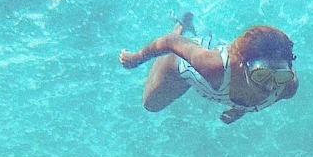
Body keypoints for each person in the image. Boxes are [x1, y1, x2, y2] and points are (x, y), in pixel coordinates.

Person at [119, 14, 298, 124]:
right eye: (261, 75)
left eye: (280, 75)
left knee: (208, 42)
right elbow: (169, 42)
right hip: (182, 64)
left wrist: (240, 109)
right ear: (243, 66)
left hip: (219, 56)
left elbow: (262, 87)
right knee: (151, 105)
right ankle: (183, 28)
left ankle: (201, 31)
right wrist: (136, 58)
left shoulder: (286, 86)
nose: (270, 85)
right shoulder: (212, 66)